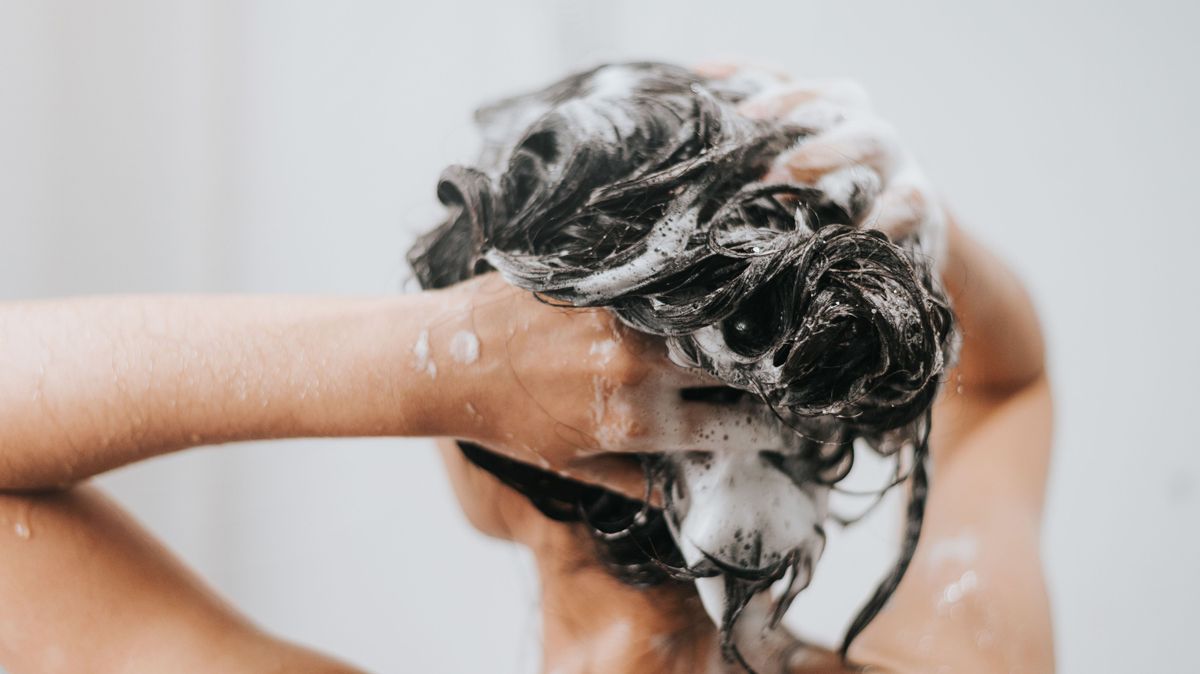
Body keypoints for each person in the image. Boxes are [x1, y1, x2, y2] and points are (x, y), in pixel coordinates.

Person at [0, 64, 1054, 674]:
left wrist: (433, 357)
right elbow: (1008, 386)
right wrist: (898, 206)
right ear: (817, 417)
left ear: (482, 448)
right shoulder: (968, 642)